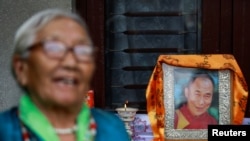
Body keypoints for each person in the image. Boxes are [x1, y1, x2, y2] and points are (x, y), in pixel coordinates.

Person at [0, 9, 129, 141]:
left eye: (82, 51)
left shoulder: (113, 129)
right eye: (53, 48)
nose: (71, 62)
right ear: (21, 68)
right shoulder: (4, 131)